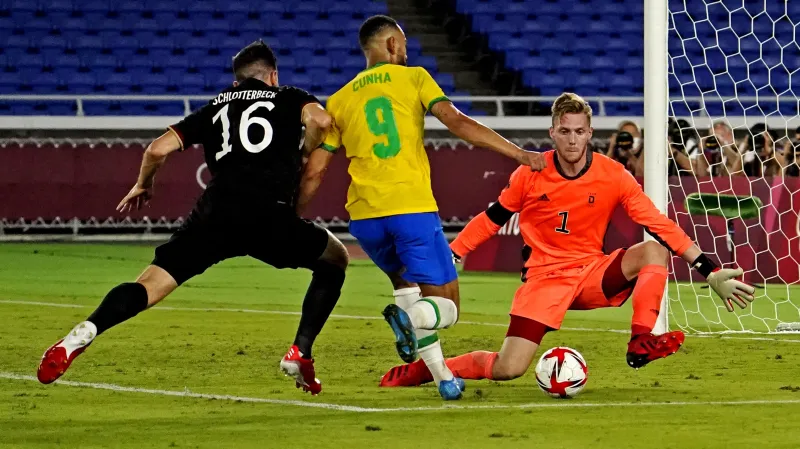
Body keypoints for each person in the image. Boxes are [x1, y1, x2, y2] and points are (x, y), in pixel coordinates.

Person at [36, 41, 349, 396]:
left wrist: (144, 184)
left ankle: (86, 330)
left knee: (149, 285)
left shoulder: (215, 107)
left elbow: (157, 149)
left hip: (214, 213)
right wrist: (304, 151)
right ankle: (301, 351)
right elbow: (321, 121)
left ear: (236, 82)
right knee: (334, 259)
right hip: (267, 213)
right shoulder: (290, 96)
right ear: (273, 76)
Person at [380, 92, 755, 387]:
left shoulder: (614, 175)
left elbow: (659, 223)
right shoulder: (531, 173)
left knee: (652, 250)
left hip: (591, 274)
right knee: (508, 368)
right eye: (565, 131)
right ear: (553, 132)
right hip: (543, 281)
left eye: (579, 131)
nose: (572, 139)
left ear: (590, 133)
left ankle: (641, 339)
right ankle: (425, 372)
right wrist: (452, 254)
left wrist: (709, 269)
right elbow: (492, 219)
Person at [301, 15, 545, 400]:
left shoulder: (339, 99)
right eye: (403, 43)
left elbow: (314, 170)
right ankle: (409, 321)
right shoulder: (413, 77)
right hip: (410, 209)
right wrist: (517, 153)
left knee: (407, 286)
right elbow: (456, 121)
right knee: (446, 308)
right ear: (392, 44)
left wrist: (291, 208)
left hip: (364, 219)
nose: (407, 49)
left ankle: (444, 378)